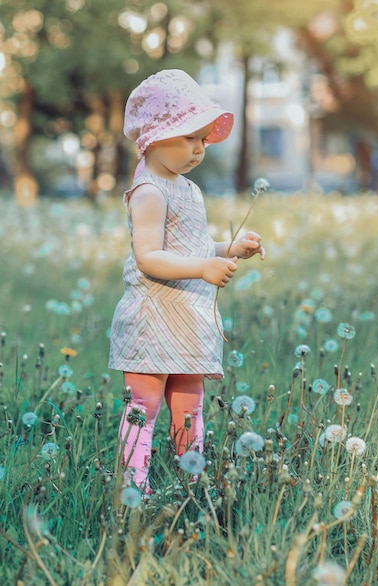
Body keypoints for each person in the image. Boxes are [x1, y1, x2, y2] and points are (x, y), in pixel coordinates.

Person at [108, 69, 265, 492]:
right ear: (153, 138)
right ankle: (132, 486)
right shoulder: (149, 192)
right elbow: (149, 257)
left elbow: (190, 244)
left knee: (189, 401)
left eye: (203, 139)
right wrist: (202, 268)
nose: (199, 149)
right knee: (144, 402)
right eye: (188, 138)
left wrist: (228, 249)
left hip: (188, 318)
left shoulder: (186, 188)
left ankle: (189, 478)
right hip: (153, 316)